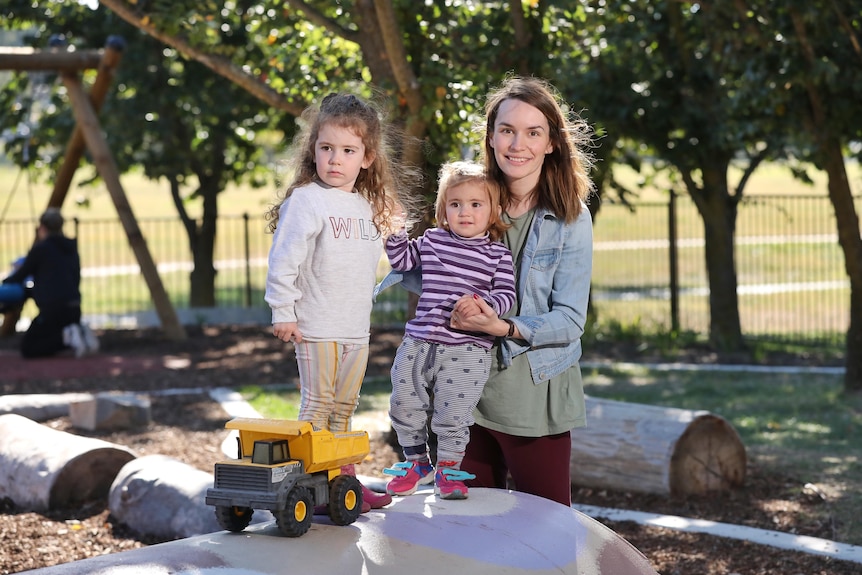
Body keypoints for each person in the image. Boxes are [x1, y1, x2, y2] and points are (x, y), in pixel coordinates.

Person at [264, 92, 418, 512]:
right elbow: (285, 259)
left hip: (355, 330)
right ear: (313, 151)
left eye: (348, 150)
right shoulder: (307, 200)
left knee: (344, 413)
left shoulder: (371, 207)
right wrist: (283, 311)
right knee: (317, 410)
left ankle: (342, 485)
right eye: (327, 148)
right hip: (315, 327)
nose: (335, 159)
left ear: (367, 157)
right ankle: (305, 488)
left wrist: (402, 230)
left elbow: (402, 258)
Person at [450, 76, 595, 507]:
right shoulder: (469, 205)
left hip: (534, 396)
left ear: (551, 142)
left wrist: (504, 326)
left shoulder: (570, 218)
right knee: (467, 534)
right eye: (508, 130)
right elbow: (438, 274)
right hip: (464, 393)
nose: (518, 144)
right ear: (491, 137)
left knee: (547, 535)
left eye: (533, 133)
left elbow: (570, 320)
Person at [382, 161, 516, 500]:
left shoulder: (497, 255)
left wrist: (484, 305)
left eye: (476, 204)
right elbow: (402, 260)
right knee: (403, 401)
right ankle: (416, 462)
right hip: (420, 340)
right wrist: (394, 229)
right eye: (455, 204)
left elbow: (506, 295)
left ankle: (449, 469)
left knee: (453, 413)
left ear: (494, 210)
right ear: (444, 210)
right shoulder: (433, 241)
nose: (465, 212)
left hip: (467, 349)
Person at [1, 208, 99, 358]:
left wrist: (7, 280)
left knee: (29, 348)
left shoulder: (41, 249)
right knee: (45, 335)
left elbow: (20, 276)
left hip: (52, 309)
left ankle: (68, 338)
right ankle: (77, 332)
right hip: (74, 306)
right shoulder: (71, 249)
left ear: (42, 228)